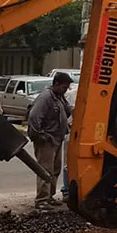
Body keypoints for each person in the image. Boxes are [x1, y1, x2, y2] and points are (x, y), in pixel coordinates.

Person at [27, 71, 72, 210]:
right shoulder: (45, 98)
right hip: (47, 140)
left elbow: (67, 110)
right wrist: (41, 135)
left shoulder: (59, 97)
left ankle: (49, 196)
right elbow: (34, 117)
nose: (66, 90)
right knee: (45, 170)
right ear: (56, 84)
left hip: (57, 139)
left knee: (55, 169)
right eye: (64, 87)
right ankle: (41, 199)